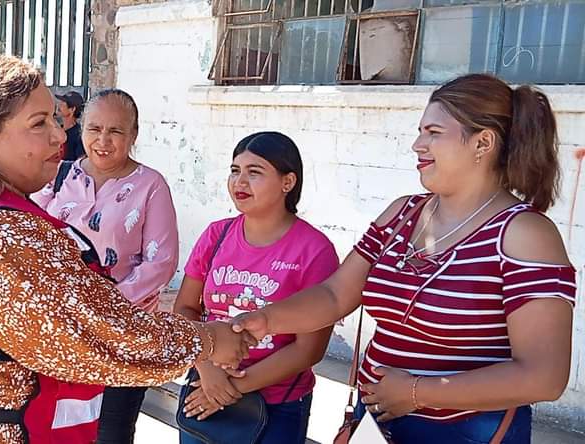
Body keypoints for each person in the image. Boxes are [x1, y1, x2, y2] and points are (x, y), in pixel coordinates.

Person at [0, 52, 253, 444]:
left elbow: (151, 268)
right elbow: (104, 339)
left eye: (55, 118)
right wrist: (208, 341)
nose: (58, 135)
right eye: (39, 123)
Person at [232, 74, 577, 443]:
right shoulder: (402, 215)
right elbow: (335, 295)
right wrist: (265, 319)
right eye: (420, 131)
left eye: (433, 132)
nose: (417, 144)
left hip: (463, 432)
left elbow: (544, 376)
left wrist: (416, 391)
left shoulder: (524, 235)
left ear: (483, 142)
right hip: (378, 425)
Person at [31, 89, 179, 444]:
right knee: (55, 428)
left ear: (134, 135)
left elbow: (160, 261)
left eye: (116, 131)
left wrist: (101, 307)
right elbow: (33, 235)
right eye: (94, 128)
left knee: (111, 432)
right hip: (61, 332)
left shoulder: (149, 185)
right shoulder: (58, 175)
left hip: (123, 335)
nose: (103, 140)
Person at [174, 132, 340, 444]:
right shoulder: (216, 235)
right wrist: (207, 368)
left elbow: (309, 348)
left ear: (287, 182)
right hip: (205, 388)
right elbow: (185, 308)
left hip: (276, 405)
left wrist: (231, 388)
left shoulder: (314, 250)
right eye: (235, 171)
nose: (239, 182)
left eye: (255, 172)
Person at [55, 90, 86, 160]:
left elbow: (80, 161)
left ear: (72, 109)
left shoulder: (79, 135)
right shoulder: (56, 130)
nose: (59, 105)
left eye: (63, 103)